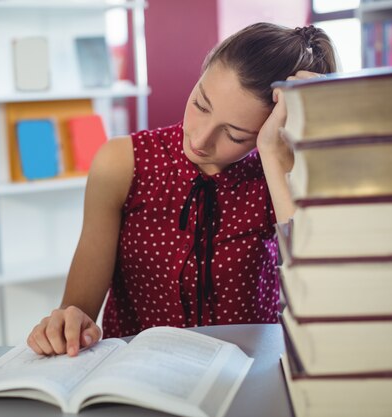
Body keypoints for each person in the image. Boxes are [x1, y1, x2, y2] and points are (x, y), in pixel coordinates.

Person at [28, 22, 337, 357]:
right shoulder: (122, 163)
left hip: (245, 379)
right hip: (138, 380)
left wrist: (276, 156)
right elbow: (78, 310)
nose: (201, 139)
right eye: (201, 105)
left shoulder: (274, 172)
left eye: (235, 135)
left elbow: (318, 296)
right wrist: (69, 323)